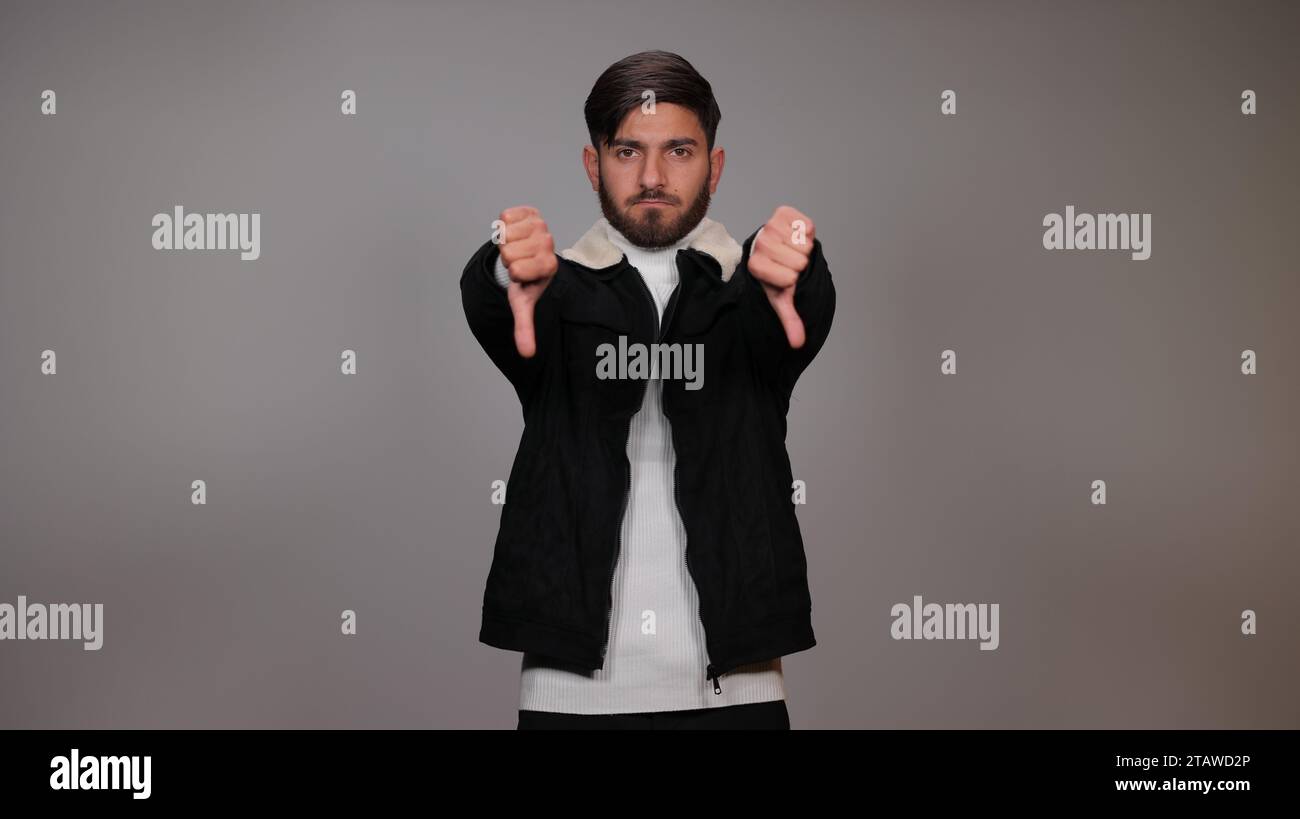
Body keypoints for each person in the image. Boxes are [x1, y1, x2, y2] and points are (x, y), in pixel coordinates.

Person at [460, 50, 835, 730]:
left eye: (680, 151)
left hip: (739, 699)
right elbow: (494, 302)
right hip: (571, 698)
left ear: (714, 167)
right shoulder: (553, 290)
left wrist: (799, 271)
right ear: (592, 163)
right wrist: (499, 268)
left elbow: (801, 314)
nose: (653, 176)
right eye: (628, 149)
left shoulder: (754, 293)